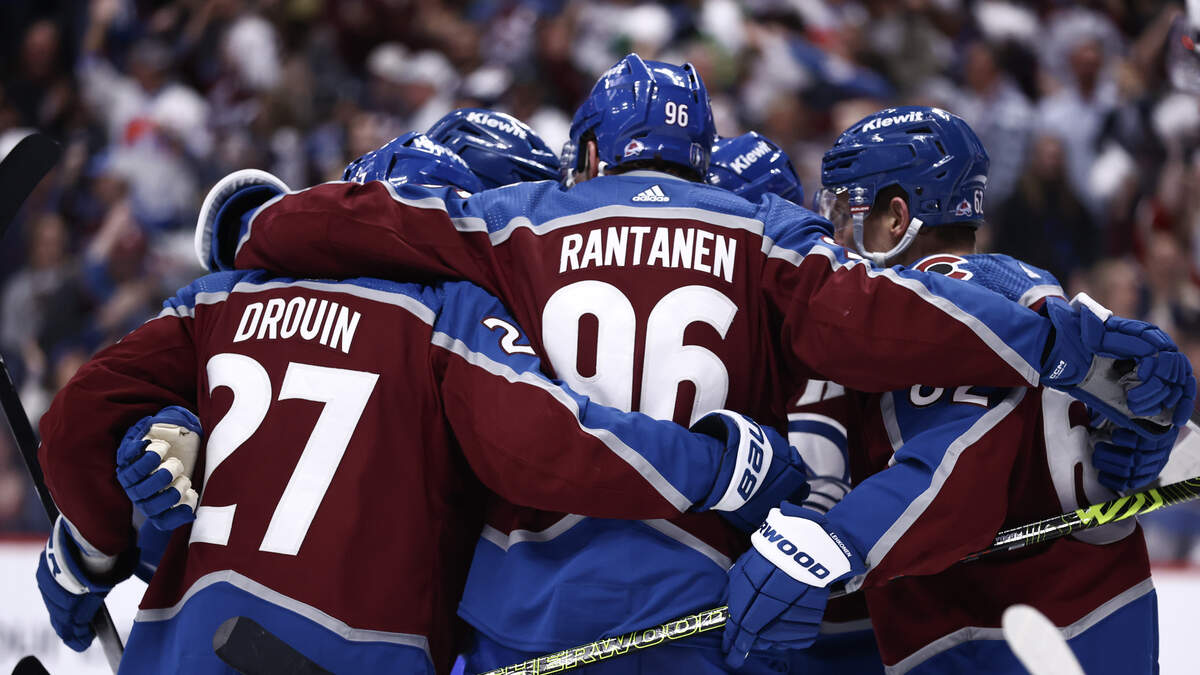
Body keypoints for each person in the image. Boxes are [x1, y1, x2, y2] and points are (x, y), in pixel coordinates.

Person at [214, 55, 1187, 673]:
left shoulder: (518, 221)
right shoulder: (772, 238)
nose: (835, 223)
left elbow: (371, 224)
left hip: (533, 604)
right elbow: (902, 341)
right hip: (736, 610)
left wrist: (253, 227)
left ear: (590, 152)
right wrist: (1073, 354)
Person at [33, 133, 809, 674]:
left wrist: (93, 545)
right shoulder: (445, 311)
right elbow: (547, 448)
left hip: (176, 650)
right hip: (359, 658)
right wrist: (718, 465)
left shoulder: (218, 299)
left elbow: (73, 426)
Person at [722, 106, 1190, 674]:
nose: (837, 236)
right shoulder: (1015, 279)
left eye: (846, 212)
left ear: (897, 218)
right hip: (1095, 606)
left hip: (1003, 622)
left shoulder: (931, 302)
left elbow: (959, 468)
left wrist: (837, 541)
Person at [710, 131, 884, 674]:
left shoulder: (823, 319)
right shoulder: (831, 298)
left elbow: (824, 485)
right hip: (819, 610)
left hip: (823, 623)